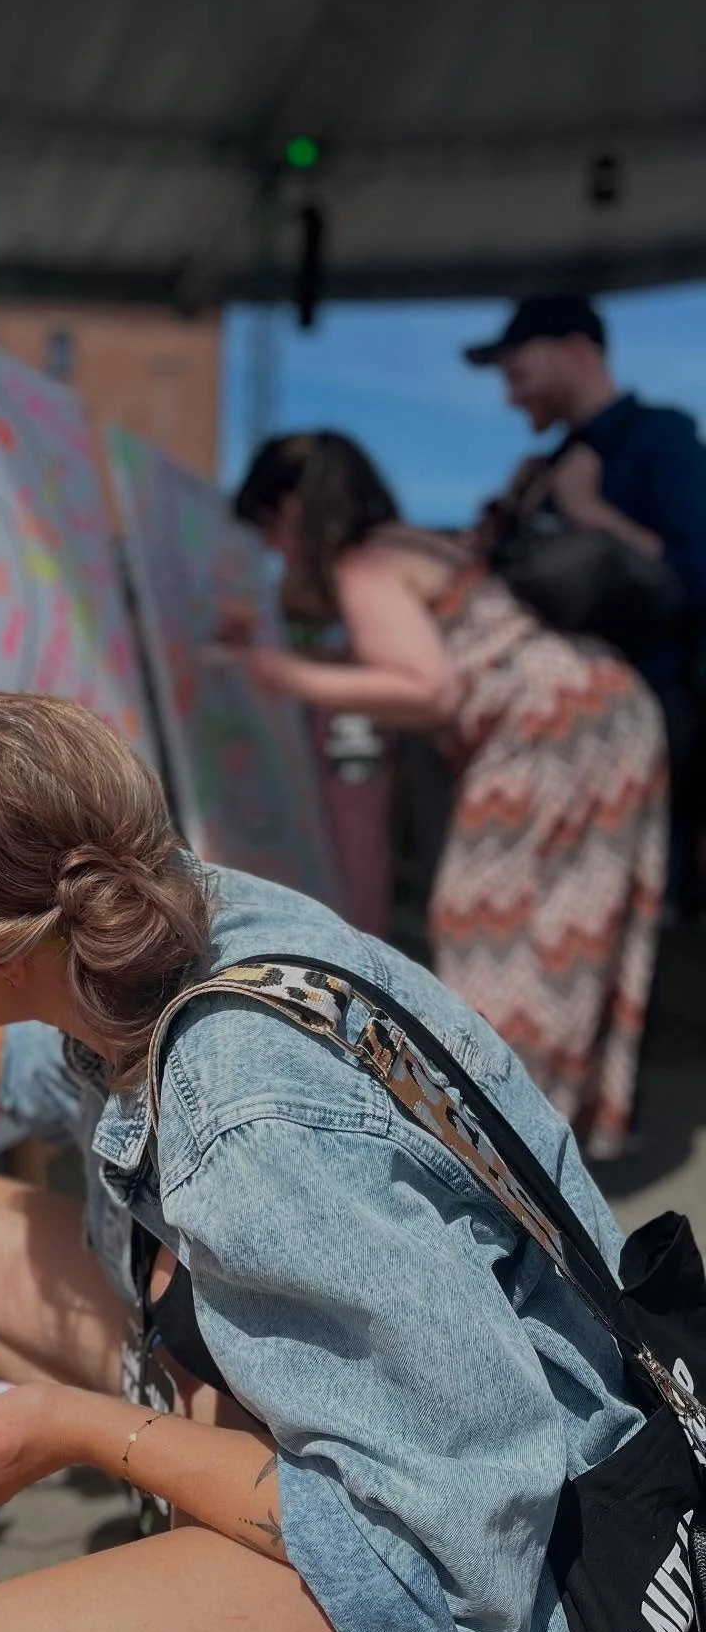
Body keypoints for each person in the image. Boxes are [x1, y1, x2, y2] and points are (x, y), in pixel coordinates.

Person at [0, 691, 642, 1632]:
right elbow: (32, 1074)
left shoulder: (242, 1112)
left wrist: (84, 1436)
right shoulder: (173, 921)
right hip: (449, 1449)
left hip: (531, 1610)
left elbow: (452, 1563)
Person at [221, 430, 666, 1164]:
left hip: (548, 727)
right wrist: (292, 661)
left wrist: (280, 674)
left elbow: (430, 688)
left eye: (270, 527)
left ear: (294, 508)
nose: (275, 549)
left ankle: (503, 1150)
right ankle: (539, 1141)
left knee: (488, 931)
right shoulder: (406, 546)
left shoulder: (363, 566)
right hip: (598, 710)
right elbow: (415, 660)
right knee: (559, 928)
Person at [465, 294, 706, 917]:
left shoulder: (662, 436)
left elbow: (697, 572)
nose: (512, 397)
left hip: (649, 711)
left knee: (628, 908)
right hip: (552, 724)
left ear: (577, 351)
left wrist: (591, 513)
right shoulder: (545, 467)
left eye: (518, 374)